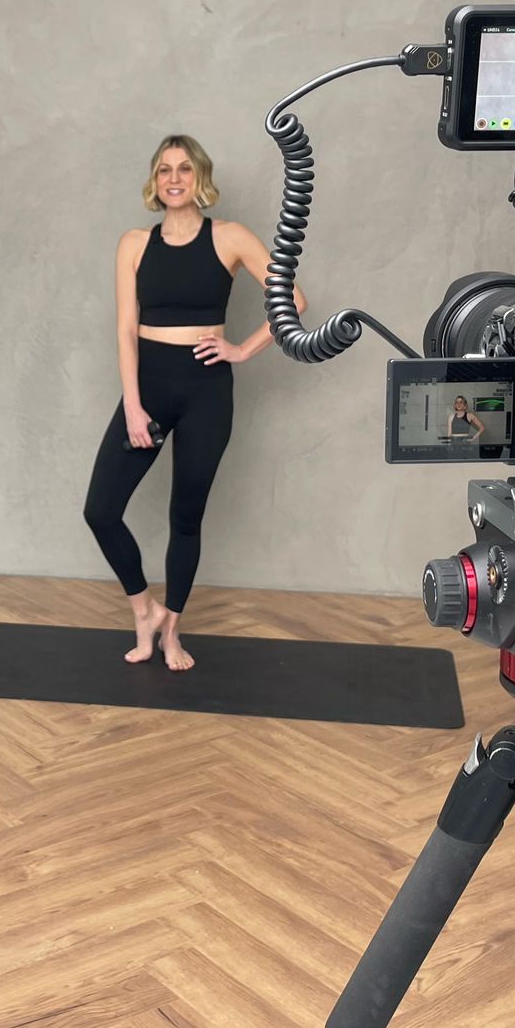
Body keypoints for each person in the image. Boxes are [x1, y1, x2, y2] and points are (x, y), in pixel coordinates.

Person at [82, 134, 306, 671]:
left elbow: (292, 299)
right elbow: (124, 331)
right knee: (101, 510)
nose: (174, 178)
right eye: (164, 170)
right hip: (151, 387)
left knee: (186, 515)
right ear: (154, 180)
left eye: (184, 169)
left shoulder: (229, 237)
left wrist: (241, 350)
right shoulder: (134, 243)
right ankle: (144, 611)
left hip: (207, 387)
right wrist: (133, 407)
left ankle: (174, 631)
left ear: (199, 177)